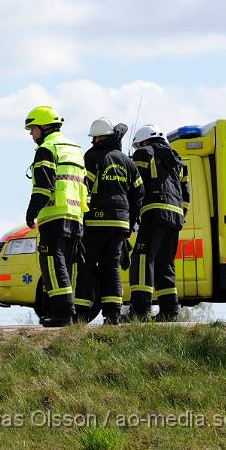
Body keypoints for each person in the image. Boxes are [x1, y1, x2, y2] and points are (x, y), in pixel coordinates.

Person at [74, 118, 144, 325]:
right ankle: (113, 315)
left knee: (86, 268)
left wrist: (82, 220)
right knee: (111, 268)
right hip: (120, 226)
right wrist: (129, 223)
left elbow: (84, 189)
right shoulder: (127, 161)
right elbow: (139, 194)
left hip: (96, 224)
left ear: (98, 137)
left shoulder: (92, 157)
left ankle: (80, 315)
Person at [24, 105, 88, 327]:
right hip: (76, 215)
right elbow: (84, 185)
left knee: (53, 262)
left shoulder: (47, 149)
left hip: (54, 214)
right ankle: (63, 312)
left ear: (44, 126)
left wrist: (31, 213)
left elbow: (43, 186)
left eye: (32, 129)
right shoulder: (76, 149)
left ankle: (63, 313)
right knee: (68, 264)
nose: (31, 134)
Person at [128, 124, 190, 322]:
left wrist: (132, 214)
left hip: (154, 213)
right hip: (176, 216)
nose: (137, 149)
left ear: (145, 141)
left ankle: (140, 310)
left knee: (142, 258)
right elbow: (186, 195)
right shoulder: (178, 159)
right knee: (165, 263)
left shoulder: (143, 154)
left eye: (137, 145)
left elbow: (137, 187)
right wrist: (182, 215)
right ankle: (169, 311)